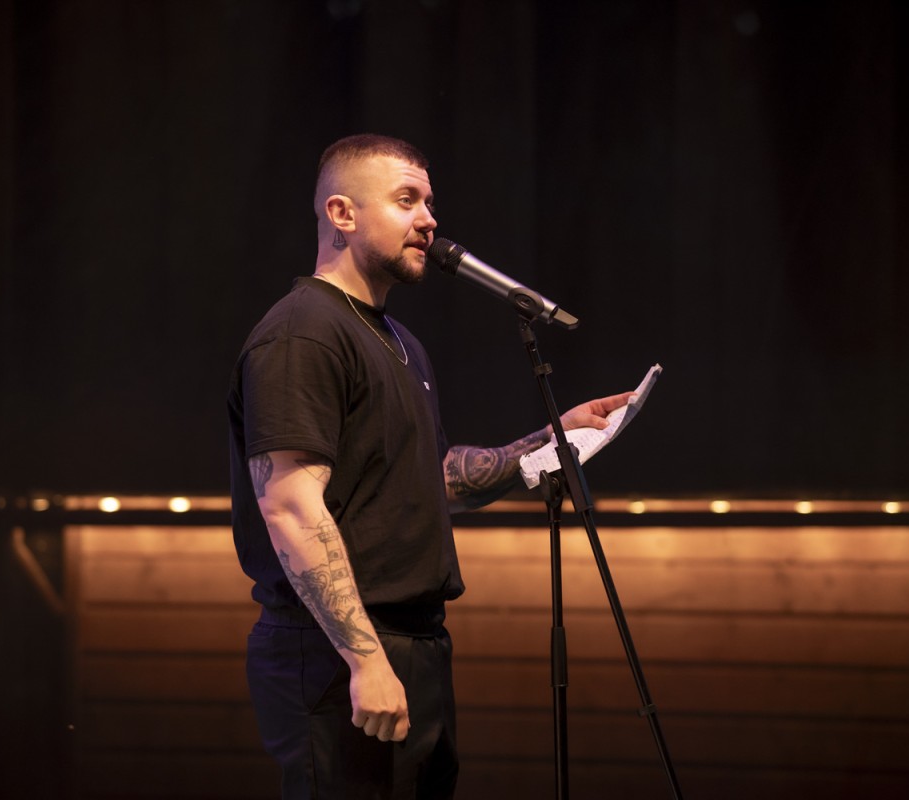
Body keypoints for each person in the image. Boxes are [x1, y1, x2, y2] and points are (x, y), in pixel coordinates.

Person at [227, 133, 633, 799]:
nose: (429, 220)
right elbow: (290, 506)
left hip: (414, 645)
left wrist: (548, 442)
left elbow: (426, 481)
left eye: (430, 203)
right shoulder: (303, 335)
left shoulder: (397, 340)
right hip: (339, 654)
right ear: (342, 213)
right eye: (407, 200)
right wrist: (365, 659)